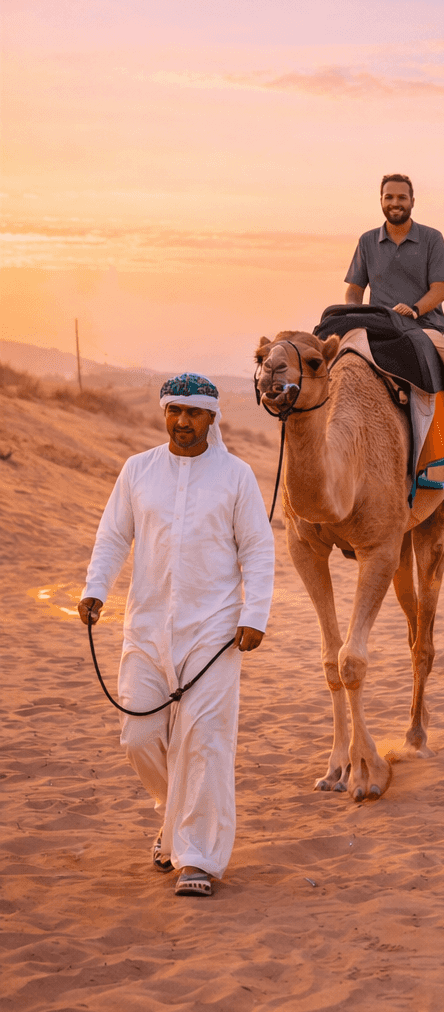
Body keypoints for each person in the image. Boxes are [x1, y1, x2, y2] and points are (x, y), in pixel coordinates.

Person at [78, 374, 275, 899]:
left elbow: (257, 549)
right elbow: (114, 534)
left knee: (203, 743)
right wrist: (96, 587)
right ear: (164, 414)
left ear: (212, 418)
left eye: (194, 412)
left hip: (212, 633)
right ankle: (174, 820)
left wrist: (254, 614)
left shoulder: (236, 476)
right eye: (174, 411)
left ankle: (198, 858)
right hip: (145, 628)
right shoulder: (138, 470)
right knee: (139, 737)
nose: (183, 421)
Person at [344, 173, 444, 534]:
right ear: (380, 200)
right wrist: (353, 317)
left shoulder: (431, 239)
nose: (395, 203)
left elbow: (439, 291)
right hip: (378, 328)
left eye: (401, 197)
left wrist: (415, 310)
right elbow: (354, 290)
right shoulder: (366, 242)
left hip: (423, 327)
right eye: (389, 197)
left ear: (412, 201)